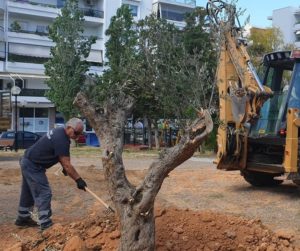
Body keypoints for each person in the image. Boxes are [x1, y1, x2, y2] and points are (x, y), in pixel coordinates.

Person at [15, 118, 87, 230]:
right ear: (68, 127)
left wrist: (64, 166)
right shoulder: (61, 138)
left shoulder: (59, 132)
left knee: (28, 191)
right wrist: (78, 180)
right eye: (76, 133)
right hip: (33, 165)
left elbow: (60, 157)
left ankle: (23, 218)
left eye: (80, 133)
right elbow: (67, 164)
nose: (78, 136)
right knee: (44, 192)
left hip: (27, 161)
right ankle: (45, 223)